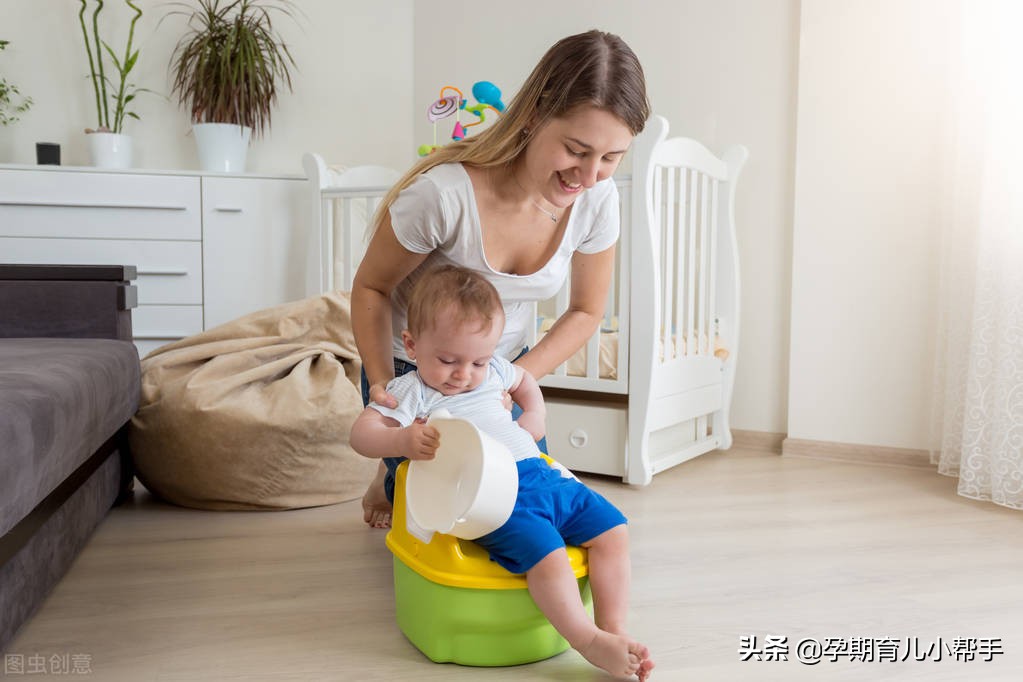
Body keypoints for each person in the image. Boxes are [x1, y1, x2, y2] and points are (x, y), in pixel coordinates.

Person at [352, 29, 650, 529]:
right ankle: (389, 471)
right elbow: (371, 288)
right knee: (449, 514)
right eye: (576, 149)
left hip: (498, 369)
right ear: (534, 117)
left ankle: (394, 473)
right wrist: (384, 387)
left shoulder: (599, 200)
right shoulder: (443, 196)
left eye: (612, 158)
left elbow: (586, 310)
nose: (590, 175)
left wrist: (514, 380)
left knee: (524, 498)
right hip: (419, 366)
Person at [350, 266, 654, 681]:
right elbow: (362, 433)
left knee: (613, 530)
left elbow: (524, 379)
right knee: (547, 554)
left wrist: (535, 413)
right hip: (490, 497)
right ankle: (587, 640)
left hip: (542, 475)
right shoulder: (412, 391)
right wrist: (401, 441)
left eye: (477, 360)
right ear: (412, 345)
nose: (464, 373)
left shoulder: (493, 370)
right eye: (448, 360)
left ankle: (613, 629)